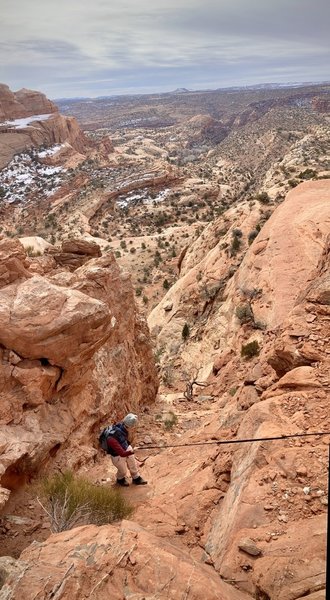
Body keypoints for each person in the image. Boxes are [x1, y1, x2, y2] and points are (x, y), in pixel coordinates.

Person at [106, 413, 147, 486]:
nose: (133, 428)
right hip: (117, 455)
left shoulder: (122, 427)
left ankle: (136, 477)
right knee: (123, 471)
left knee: (132, 462)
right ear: (129, 426)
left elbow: (124, 441)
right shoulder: (112, 438)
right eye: (133, 427)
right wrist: (132, 451)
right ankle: (120, 479)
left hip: (124, 447)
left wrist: (130, 451)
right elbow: (122, 453)